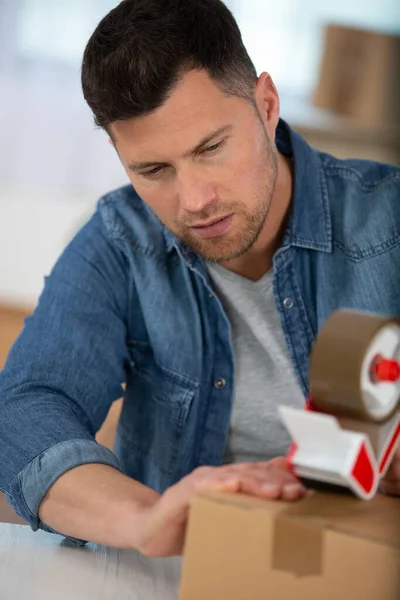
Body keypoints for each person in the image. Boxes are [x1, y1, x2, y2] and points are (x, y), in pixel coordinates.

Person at [1, 0, 400, 558]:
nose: (194, 202)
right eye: (153, 170)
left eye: (211, 149)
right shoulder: (120, 241)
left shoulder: (388, 218)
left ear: (266, 104)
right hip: (189, 574)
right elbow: (25, 410)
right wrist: (146, 520)